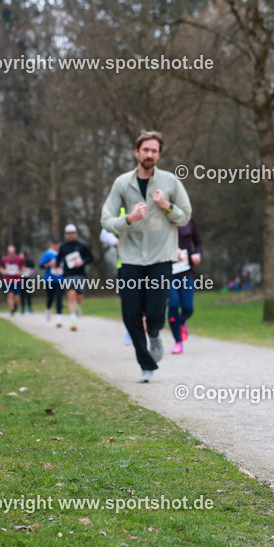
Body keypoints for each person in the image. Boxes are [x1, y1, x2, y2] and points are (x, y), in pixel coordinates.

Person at [101, 130, 191, 383]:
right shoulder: (122, 183)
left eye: (154, 150)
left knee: (153, 313)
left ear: (159, 154)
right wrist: (128, 218)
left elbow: (185, 215)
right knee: (130, 314)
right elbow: (105, 220)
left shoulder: (170, 182)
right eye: (145, 150)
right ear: (136, 152)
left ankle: (154, 333)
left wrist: (166, 206)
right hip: (130, 257)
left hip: (160, 257)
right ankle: (146, 365)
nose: (149, 154)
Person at [168, 216, 202, 354]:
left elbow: (199, 242)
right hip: (167, 273)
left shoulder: (188, 220)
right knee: (173, 304)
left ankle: (181, 322)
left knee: (188, 308)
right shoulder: (160, 220)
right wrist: (169, 251)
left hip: (186, 272)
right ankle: (178, 342)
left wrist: (197, 254)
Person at [58, 224, 94, 331]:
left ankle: (78, 306)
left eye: (72, 233)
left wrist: (82, 262)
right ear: (66, 235)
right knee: (71, 296)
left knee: (79, 296)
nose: (71, 235)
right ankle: (73, 322)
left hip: (80, 274)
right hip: (68, 275)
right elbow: (59, 258)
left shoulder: (82, 246)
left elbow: (90, 257)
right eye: (69, 233)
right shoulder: (63, 247)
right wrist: (58, 265)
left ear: (76, 234)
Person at [40, 238, 64, 327]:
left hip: (60, 279)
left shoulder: (63, 253)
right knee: (50, 298)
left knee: (59, 298)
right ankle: (48, 309)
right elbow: (41, 266)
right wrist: (49, 264)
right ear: (51, 244)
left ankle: (59, 319)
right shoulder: (48, 254)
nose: (56, 245)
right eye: (54, 243)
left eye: (57, 243)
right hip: (49, 279)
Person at [0, 245, 24, 316]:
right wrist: (3, 271)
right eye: (10, 252)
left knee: (17, 297)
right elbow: (0, 267)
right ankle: (12, 309)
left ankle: (15, 305)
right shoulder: (4, 259)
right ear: (8, 252)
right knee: (10, 294)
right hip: (8, 280)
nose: (11, 254)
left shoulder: (19, 259)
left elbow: (23, 266)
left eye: (12, 252)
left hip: (17, 280)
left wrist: (20, 271)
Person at [19, 250, 36, 315]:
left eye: (22, 255)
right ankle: (22, 307)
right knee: (22, 293)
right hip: (21, 279)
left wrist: (31, 271)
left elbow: (32, 269)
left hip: (28, 278)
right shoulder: (19, 262)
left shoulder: (29, 262)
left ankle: (30, 307)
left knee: (29, 293)